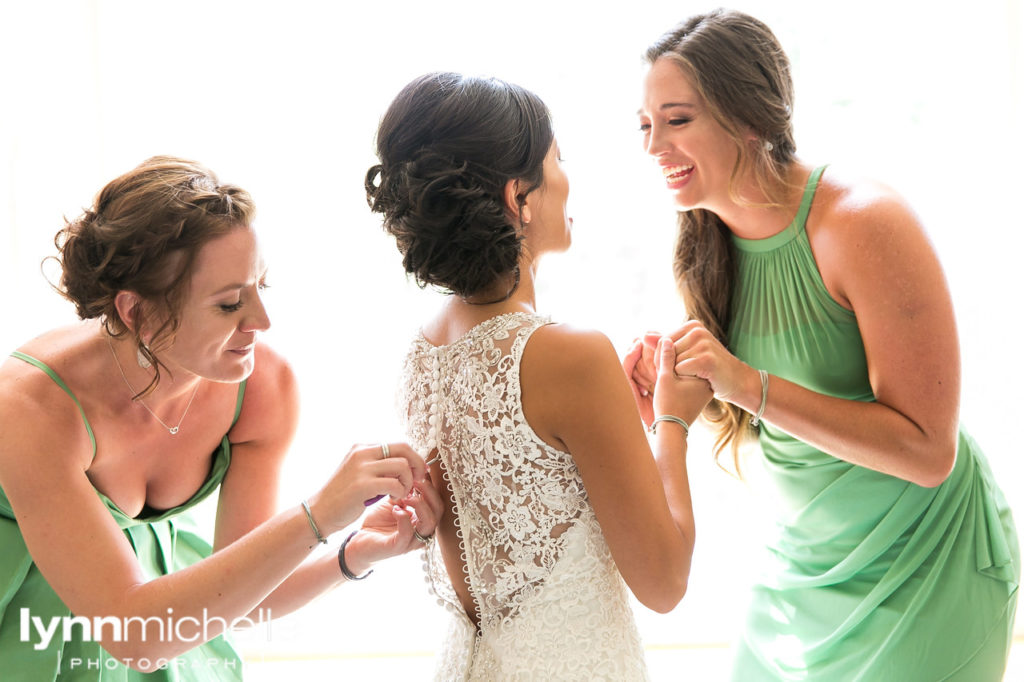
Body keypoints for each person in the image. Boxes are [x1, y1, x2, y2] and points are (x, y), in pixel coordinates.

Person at [626, 9, 1019, 680]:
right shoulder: (706, 244)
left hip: (925, 571)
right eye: (644, 125)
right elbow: (775, 423)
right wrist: (685, 392)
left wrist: (744, 382)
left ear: (748, 114)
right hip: (798, 574)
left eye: (677, 120)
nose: (653, 146)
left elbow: (928, 451)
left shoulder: (864, 223)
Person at [0, 156, 442, 680]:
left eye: (261, 285)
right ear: (133, 311)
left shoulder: (259, 388)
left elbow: (243, 599)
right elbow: (135, 637)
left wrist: (354, 554)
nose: (262, 321)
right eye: (230, 303)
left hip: (169, 632)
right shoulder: (29, 410)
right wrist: (321, 511)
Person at [365, 72, 711, 681]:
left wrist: (617, 422)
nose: (569, 178)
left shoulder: (421, 355)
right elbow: (664, 582)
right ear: (517, 197)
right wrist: (675, 418)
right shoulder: (569, 358)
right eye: (558, 159)